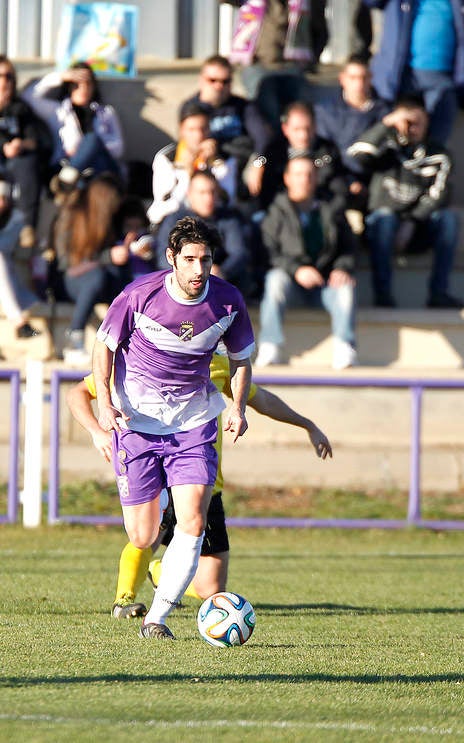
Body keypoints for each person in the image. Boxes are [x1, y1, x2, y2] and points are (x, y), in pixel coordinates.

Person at [66, 347, 332, 618]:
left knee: (211, 588)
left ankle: (160, 572)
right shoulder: (145, 357)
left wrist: (307, 425)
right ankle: (124, 600)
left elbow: (261, 399)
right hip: (162, 468)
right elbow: (79, 392)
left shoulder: (218, 364)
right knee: (146, 532)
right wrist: (97, 432)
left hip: (205, 482)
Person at [92, 215, 255, 639]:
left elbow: (240, 360)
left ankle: (156, 619)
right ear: (172, 259)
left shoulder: (228, 300)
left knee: (194, 522)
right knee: (142, 535)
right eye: (190, 259)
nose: (199, 269)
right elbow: (103, 348)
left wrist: (237, 407)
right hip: (138, 424)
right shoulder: (138, 295)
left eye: (206, 259)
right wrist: (106, 405)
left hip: (192, 423)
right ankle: (158, 504)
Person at [349, 96, 462, 308]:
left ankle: (439, 293)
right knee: (384, 218)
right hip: (381, 226)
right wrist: (387, 124)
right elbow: (356, 154)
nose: (412, 128)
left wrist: (411, 222)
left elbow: (438, 196)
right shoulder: (387, 148)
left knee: (449, 219)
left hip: (418, 227)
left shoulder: (439, 155)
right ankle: (383, 295)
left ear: (427, 120)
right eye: (406, 122)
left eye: (417, 122)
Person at [255, 155, 358, 369]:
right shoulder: (276, 211)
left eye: (310, 174)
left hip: (325, 284)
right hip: (291, 283)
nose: (305, 179)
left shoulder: (331, 208)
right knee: (275, 279)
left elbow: (349, 247)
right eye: (299, 174)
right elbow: (267, 252)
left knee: (345, 287)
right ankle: (270, 345)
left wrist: (342, 267)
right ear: (287, 178)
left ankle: (344, 346)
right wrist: (297, 270)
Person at [363, 0, 464, 145]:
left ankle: (431, 157)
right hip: (401, 76)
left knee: (441, 124)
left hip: (441, 78)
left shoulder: (461, 3)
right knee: (396, 131)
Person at [50, 173, 129, 365]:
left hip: (94, 283)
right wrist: (107, 257)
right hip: (66, 282)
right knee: (97, 277)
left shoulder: (107, 223)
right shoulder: (71, 215)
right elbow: (66, 264)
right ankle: (74, 337)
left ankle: (124, 337)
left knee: (119, 276)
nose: (117, 207)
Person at [222, 0, 328, 131]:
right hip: (259, 65)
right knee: (266, 112)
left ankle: (297, 150)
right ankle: (269, 148)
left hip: (293, 66)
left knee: (300, 115)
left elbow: (320, 31)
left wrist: (311, 60)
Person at [179, 55, 271, 205]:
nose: (219, 86)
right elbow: (187, 144)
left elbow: (262, 138)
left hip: (241, 166)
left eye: (225, 81)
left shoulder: (242, 106)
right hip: (207, 168)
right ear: (202, 80)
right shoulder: (191, 108)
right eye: (212, 80)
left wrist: (259, 162)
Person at [23, 62, 125, 193]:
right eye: (77, 84)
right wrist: (61, 77)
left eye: (88, 83)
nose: (83, 89)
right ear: (69, 86)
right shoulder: (58, 111)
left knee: (92, 140)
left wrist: (86, 150)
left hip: (99, 165)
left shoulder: (106, 113)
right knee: (82, 184)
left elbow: (118, 148)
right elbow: (28, 97)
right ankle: (72, 177)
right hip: (66, 164)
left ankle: (67, 178)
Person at [314, 56, 391, 212]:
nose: (359, 84)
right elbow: (323, 152)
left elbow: (387, 153)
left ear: (371, 79)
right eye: (353, 77)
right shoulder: (325, 111)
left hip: (374, 182)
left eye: (364, 78)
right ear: (342, 79)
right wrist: (348, 181)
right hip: (337, 181)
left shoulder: (385, 113)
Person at [155, 171, 252, 294]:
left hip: (220, 284)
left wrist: (221, 271)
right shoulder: (174, 220)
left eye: (212, 192)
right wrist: (190, 271)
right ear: (189, 194)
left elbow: (238, 253)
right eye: (202, 192)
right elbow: (162, 258)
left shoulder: (229, 219)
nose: (208, 198)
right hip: (179, 286)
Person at [148, 104, 237, 227]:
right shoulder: (167, 159)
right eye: (192, 130)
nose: (198, 136)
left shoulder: (224, 159)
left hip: (214, 221)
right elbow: (165, 205)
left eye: (203, 129)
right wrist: (187, 175)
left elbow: (227, 202)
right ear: (181, 130)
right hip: (178, 221)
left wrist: (209, 168)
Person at [260, 101, 348, 213]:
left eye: (308, 128)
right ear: (285, 129)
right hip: (284, 215)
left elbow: (339, 190)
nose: (303, 136)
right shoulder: (274, 152)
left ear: (315, 127)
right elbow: (267, 191)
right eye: (297, 129)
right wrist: (256, 165)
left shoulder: (328, 151)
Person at [0, 55, 49, 247]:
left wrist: (21, 144)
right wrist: (4, 145)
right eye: (3, 76)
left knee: (26, 161)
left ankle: (28, 227)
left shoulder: (20, 109)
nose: (7, 82)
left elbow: (38, 140)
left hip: (16, 166)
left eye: (11, 77)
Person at [0, 175, 40, 340]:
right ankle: (19, 322)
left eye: (3, 198)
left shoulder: (17, 220)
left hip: (9, 278)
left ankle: (19, 321)